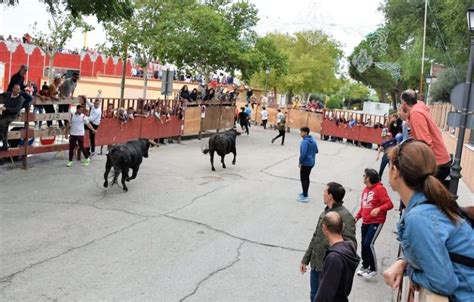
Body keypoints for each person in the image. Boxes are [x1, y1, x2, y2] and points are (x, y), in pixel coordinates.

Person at [383, 140, 474, 301]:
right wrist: (404, 263)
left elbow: (445, 283)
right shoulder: (428, 202)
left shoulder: (418, 218)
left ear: (395, 171)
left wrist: (412, 273)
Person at [300, 182, 357, 302]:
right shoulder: (325, 212)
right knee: (314, 295)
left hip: (330, 267)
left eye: (325, 192)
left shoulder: (345, 216)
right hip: (316, 264)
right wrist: (306, 259)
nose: (323, 194)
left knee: (325, 298)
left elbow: (351, 244)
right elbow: (315, 236)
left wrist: (333, 257)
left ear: (330, 196)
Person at [400, 90, 451, 183]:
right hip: (439, 161)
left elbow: (424, 144)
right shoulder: (419, 109)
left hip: (436, 164)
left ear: (404, 103)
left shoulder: (416, 113)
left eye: (400, 103)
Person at [355, 168, 393, 279]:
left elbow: (389, 204)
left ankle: (373, 269)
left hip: (376, 221)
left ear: (369, 178)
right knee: (363, 244)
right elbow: (364, 207)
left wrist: (379, 209)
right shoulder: (365, 190)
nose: (363, 177)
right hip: (366, 221)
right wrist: (357, 217)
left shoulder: (380, 189)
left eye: (364, 175)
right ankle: (365, 266)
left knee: (368, 244)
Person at [315, 212, 360, 302]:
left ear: (324, 228)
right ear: (343, 226)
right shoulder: (349, 247)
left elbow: (326, 294)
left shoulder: (334, 258)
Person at [0, 84, 25, 150]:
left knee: (2, 123)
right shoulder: (8, 94)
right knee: (4, 127)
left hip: (12, 115)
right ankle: (5, 145)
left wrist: (6, 109)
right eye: (16, 89)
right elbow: (2, 95)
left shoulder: (20, 99)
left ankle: (1, 140)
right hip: (5, 113)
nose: (17, 91)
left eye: (18, 89)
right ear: (13, 89)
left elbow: (16, 110)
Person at [297, 127, 318, 203]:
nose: (300, 133)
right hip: (312, 162)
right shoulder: (313, 140)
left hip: (306, 163)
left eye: (301, 132)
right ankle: (305, 192)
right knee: (307, 177)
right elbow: (316, 151)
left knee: (303, 178)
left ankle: (305, 196)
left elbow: (303, 154)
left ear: (305, 133)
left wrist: (300, 162)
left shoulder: (305, 142)